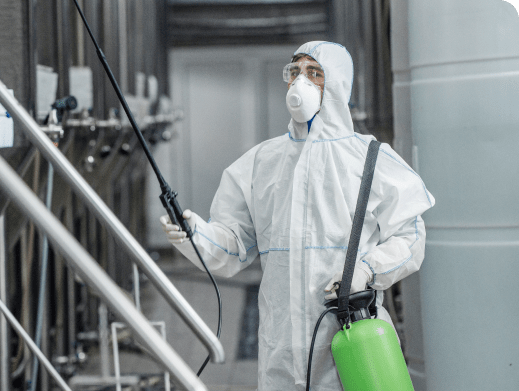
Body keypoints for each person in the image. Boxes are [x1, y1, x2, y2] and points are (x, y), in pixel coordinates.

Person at [160, 41, 434, 390]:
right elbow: (234, 247)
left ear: (336, 85)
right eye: (295, 72)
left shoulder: (370, 159)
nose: (300, 82)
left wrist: (367, 270)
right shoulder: (261, 162)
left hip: (349, 345)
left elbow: (411, 239)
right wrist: (194, 233)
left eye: (314, 73)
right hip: (280, 352)